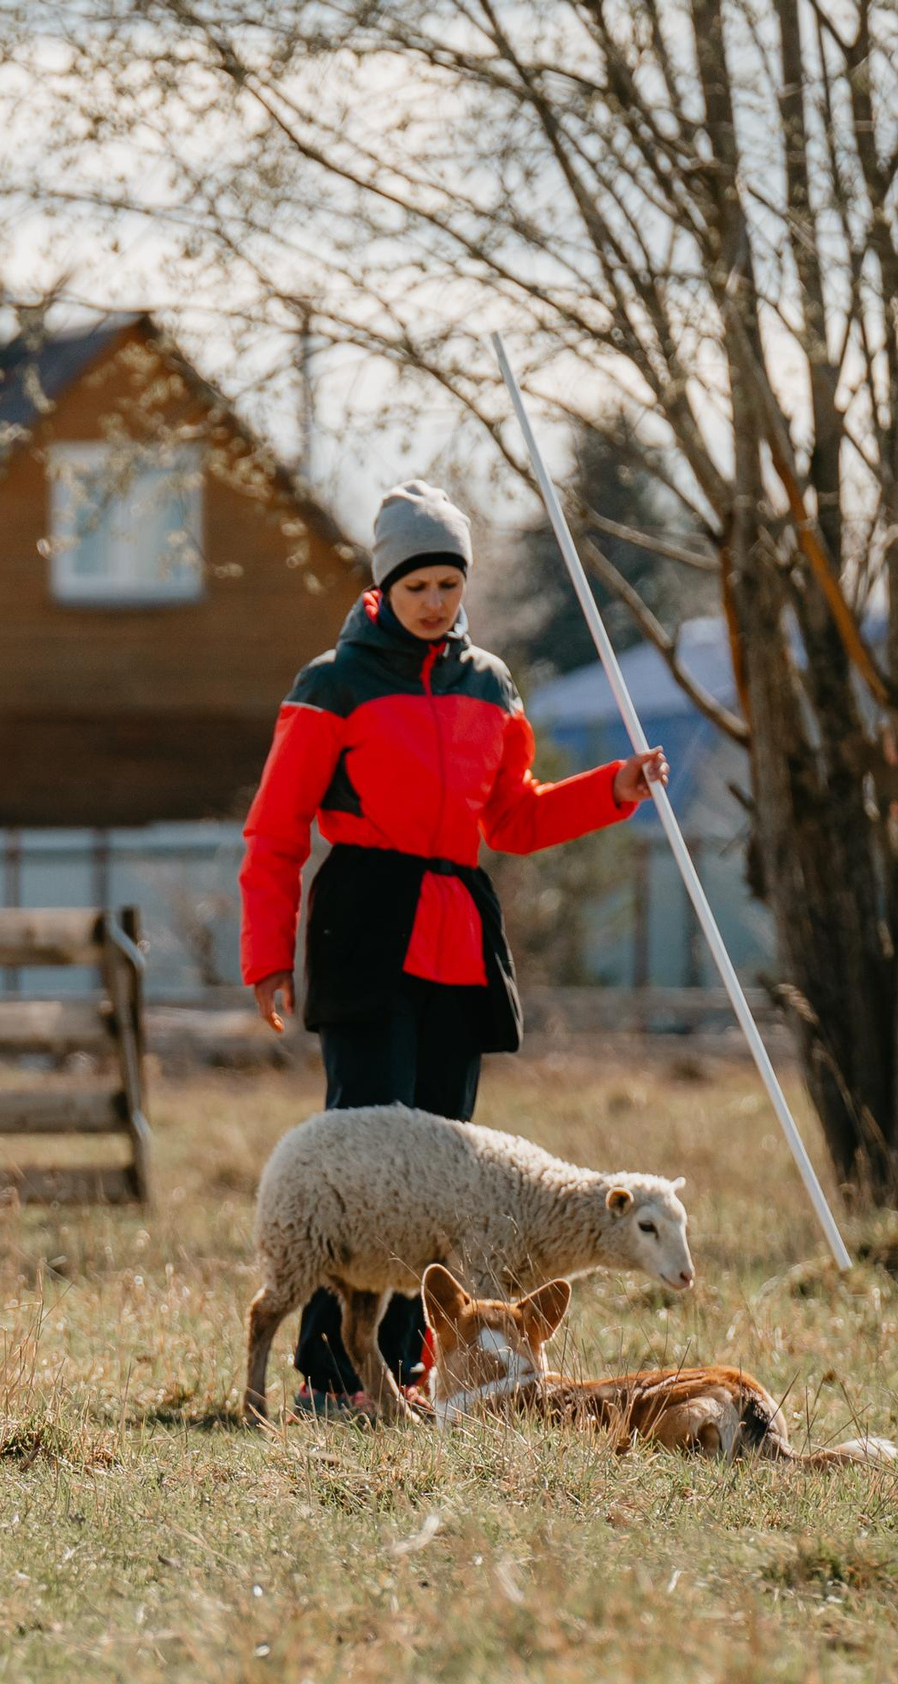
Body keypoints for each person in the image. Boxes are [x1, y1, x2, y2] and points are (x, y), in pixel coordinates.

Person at [238, 478, 667, 1410]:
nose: (436, 602)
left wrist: (614, 790)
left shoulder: (490, 685)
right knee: (363, 1168)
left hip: (459, 939)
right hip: (364, 925)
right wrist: (267, 955)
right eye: (418, 585)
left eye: (449, 584)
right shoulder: (333, 684)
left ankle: (414, 1378)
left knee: (451, 1186)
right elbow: (274, 833)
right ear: (384, 586)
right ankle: (330, 1378)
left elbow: (512, 819)